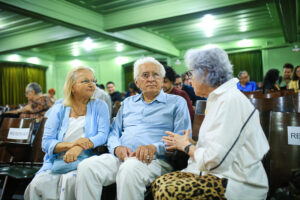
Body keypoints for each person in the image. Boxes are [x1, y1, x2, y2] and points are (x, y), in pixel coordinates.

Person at [152, 47, 269, 200]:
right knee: (159, 183)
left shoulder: (230, 101)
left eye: (191, 73)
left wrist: (186, 146)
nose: (189, 79)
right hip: (217, 174)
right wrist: (190, 142)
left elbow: (215, 161)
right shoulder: (218, 99)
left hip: (236, 183)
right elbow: (215, 147)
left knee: (167, 191)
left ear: (205, 73)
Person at [75, 57, 191, 200]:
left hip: (155, 160)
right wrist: (117, 148)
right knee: (87, 166)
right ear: (137, 82)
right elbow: (113, 133)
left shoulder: (177, 102)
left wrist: (154, 147)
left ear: (162, 80)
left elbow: (182, 138)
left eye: (156, 75)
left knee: (129, 168)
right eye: (145, 75)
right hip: (122, 156)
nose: (151, 79)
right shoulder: (128, 103)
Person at [24, 66, 110, 200]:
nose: (92, 84)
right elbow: (46, 143)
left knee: (72, 181)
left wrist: (79, 147)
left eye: (94, 81)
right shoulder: (59, 109)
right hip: (57, 161)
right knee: (38, 184)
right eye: (86, 81)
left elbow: (103, 135)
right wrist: (71, 145)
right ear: (73, 86)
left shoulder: (99, 105)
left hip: (85, 160)